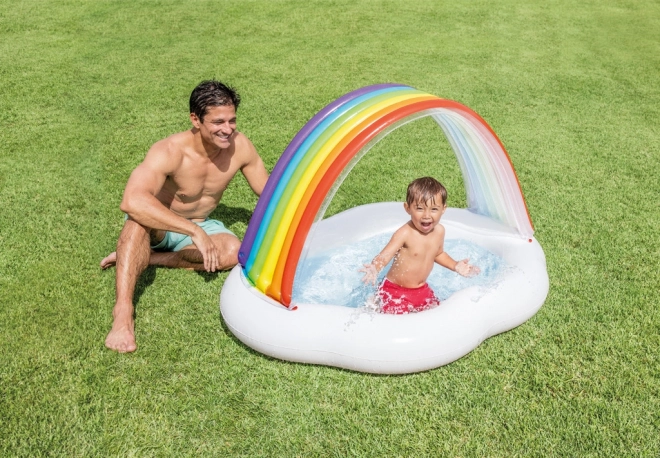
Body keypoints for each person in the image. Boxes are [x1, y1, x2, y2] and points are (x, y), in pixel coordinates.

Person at [100, 80, 269, 352]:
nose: (228, 129)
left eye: (232, 120)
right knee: (136, 223)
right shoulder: (169, 151)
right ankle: (122, 312)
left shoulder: (240, 147)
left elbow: (267, 191)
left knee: (232, 251)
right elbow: (132, 200)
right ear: (195, 119)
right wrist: (194, 232)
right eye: (218, 122)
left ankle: (143, 259)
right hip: (161, 223)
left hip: (202, 221)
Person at [360, 177, 480, 314]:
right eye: (419, 208)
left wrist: (455, 265)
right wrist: (375, 267)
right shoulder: (405, 233)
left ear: (443, 209)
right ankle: (375, 301)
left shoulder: (439, 231)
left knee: (438, 314)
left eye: (434, 209)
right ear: (408, 208)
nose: (426, 215)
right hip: (395, 290)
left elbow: (438, 253)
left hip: (421, 290)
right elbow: (386, 255)